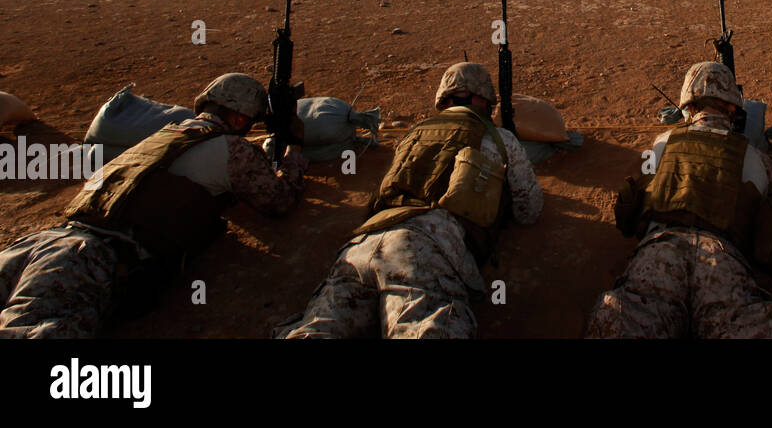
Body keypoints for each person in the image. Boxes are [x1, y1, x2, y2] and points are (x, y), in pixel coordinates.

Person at [0, 74, 308, 338]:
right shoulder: (234, 150)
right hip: (87, 258)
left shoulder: (164, 135)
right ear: (240, 119)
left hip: (44, 240)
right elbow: (279, 202)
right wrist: (294, 148)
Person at [279, 63, 541, 338]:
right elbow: (529, 210)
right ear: (483, 99)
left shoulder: (413, 133)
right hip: (421, 249)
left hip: (362, 246)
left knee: (318, 330)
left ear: (444, 99)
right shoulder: (500, 139)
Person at [587, 61, 772, 338]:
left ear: (688, 108)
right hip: (723, 259)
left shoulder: (662, 142)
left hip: (659, 251)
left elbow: (636, 197)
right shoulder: (758, 158)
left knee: (618, 322)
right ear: (733, 108)